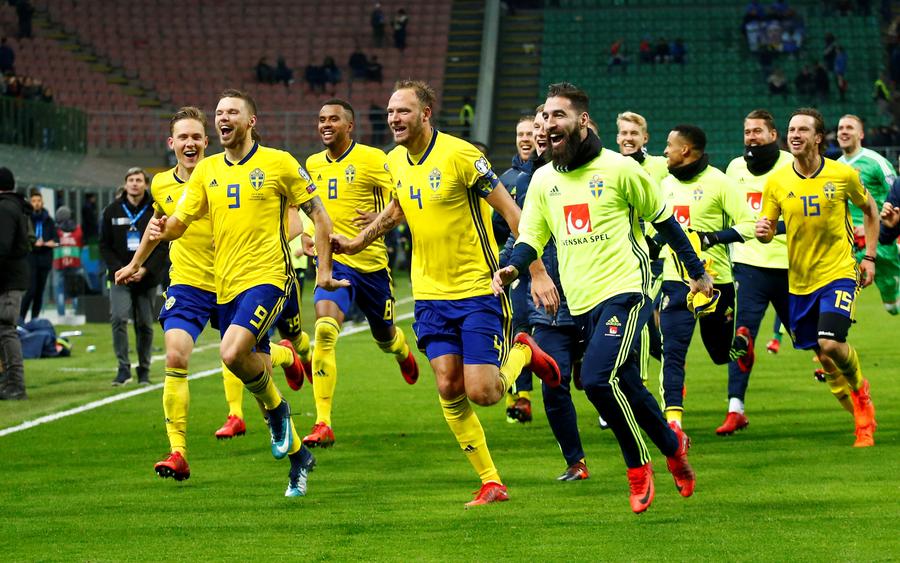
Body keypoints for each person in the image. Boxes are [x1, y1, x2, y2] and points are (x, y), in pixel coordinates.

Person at [330, 79, 562, 508]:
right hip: (429, 295)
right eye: (390, 112)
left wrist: (537, 272)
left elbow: (514, 214)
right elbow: (399, 207)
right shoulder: (395, 160)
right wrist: (359, 241)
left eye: (403, 111)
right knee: (448, 387)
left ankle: (524, 351)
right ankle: (491, 481)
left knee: (485, 393)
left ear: (425, 113)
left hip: (477, 288)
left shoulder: (461, 155)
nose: (394, 118)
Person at [493, 82, 712, 514]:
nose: (550, 124)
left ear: (582, 121)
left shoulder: (621, 170)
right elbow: (532, 236)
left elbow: (666, 223)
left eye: (559, 116)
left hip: (627, 291)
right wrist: (515, 267)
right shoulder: (543, 180)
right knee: (626, 384)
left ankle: (638, 467)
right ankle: (674, 449)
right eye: (546, 118)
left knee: (595, 379)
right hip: (581, 300)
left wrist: (698, 272)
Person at [147, 89, 346, 497]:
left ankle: (278, 413)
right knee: (248, 362)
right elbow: (179, 224)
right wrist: (158, 232)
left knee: (231, 352)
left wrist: (324, 268)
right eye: (219, 112)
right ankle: (296, 456)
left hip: (270, 278)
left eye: (232, 112)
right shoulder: (206, 172)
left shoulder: (279, 163)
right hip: (226, 285)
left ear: (250, 121)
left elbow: (319, 215)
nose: (224, 118)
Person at [116, 107, 311, 481]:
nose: (190, 144)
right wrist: (137, 262)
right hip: (188, 282)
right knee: (175, 354)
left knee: (251, 368)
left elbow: (287, 220)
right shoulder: (161, 184)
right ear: (171, 144)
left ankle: (286, 358)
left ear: (206, 142)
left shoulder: (223, 173)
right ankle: (178, 452)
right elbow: (160, 224)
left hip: (235, 282)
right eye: (182, 137)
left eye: (196, 137)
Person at [299, 99, 420, 448]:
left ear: (349, 125)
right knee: (324, 330)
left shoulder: (373, 159)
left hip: (372, 266)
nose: (326, 124)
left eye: (333, 119)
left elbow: (406, 195)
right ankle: (323, 422)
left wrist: (380, 217)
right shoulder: (312, 164)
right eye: (321, 119)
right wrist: (309, 234)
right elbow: (313, 207)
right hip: (335, 262)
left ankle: (401, 351)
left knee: (384, 337)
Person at [756, 107, 878, 448]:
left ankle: (862, 397)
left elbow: (869, 210)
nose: (794, 134)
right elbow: (767, 230)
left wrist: (868, 257)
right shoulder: (777, 181)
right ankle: (858, 414)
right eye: (791, 128)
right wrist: (763, 231)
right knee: (824, 355)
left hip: (838, 272)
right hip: (800, 280)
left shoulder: (842, 175)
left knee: (830, 343)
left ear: (817, 138)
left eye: (803, 130)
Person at [499, 106, 590, 478]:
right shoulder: (531, 183)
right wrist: (505, 267)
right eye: (534, 127)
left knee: (607, 382)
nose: (538, 132)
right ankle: (575, 461)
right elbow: (517, 234)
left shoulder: (585, 177)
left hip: (595, 297)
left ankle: (650, 448)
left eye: (545, 126)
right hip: (549, 305)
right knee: (554, 383)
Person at [657, 124, 755, 430]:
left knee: (719, 353)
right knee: (672, 351)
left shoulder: (720, 182)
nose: (665, 151)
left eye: (669, 145)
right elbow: (654, 229)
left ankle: (742, 344)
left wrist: (712, 237)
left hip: (718, 283)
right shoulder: (664, 184)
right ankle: (674, 423)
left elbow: (750, 224)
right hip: (676, 281)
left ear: (685, 150)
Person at [717, 109, 793, 435]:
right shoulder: (734, 167)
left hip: (792, 267)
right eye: (747, 131)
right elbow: (728, 215)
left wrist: (774, 229)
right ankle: (736, 409)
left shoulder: (790, 164)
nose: (751, 137)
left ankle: (852, 393)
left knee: (815, 342)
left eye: (758, 131)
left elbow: (805, 216)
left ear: (773, 135)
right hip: (748, 266)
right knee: (741, 337)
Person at [100, 167, 169, 386]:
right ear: (125, 183)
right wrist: (122, 268)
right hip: (120, 276)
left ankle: (144, 370)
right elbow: (104, 245)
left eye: (139, 180)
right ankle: (123, 369)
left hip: (147, 278)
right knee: (118, 318)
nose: (135, 183)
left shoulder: (155, 209)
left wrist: (144, 269)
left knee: (145, 324)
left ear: (146, 184)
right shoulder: (112, 210)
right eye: (131, 180)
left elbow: (162, 245)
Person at [615, 111, 668, 384]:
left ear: (644, 138)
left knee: (642, 315)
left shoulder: (660, 166)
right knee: (626, 320)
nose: (628, 138)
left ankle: (639, 383)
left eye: (634, 133)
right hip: (619, 257)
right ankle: (672, 362)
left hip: (654, 256)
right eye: (624, 133)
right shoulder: (609, 167)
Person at [836, 114, 900, 314]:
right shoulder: (835, 167)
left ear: (861, 134)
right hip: (850, 245)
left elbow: (896, 195)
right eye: (840, 128)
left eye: (849, 128)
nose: (844, 131)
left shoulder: (876, 162)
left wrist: (877, 224)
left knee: (892, 307)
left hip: (880, 242)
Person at [495, 115, 536, 422]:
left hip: (555, 264)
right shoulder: (505, 180)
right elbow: (498, 225)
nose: (525, 139)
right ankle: (520, 396)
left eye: (530, 133)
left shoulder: (547, 175)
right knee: (517, 326)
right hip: (518, 264)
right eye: (520, 133)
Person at [0, 167, 30, 400]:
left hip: (7, 280)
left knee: (6, 330)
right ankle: (8, 381)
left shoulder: (4, 208)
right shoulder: (15, 206)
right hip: (12, 278)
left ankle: (15, 384)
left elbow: (2, 246)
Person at [19, 189, 57, 322]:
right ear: (30, 202)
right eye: (34, 201)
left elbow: (55, 239)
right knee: (31, 290)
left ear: (42, 202)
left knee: (40, 292)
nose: (36, 204)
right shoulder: (26, 218)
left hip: (45, 259)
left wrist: (48, 243)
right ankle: (21, 318)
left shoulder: (49, 220)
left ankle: (34, 319)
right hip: (31, 258)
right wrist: (34, 243)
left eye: (38, 201)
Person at [52, 206, 83, 319]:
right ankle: (76, 311)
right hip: (74, 261)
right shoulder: (78, 229)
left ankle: (61, 314)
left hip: (59, 262)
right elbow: (81, 243)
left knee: (59, 288)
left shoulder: (56, 230)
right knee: (74, 287)